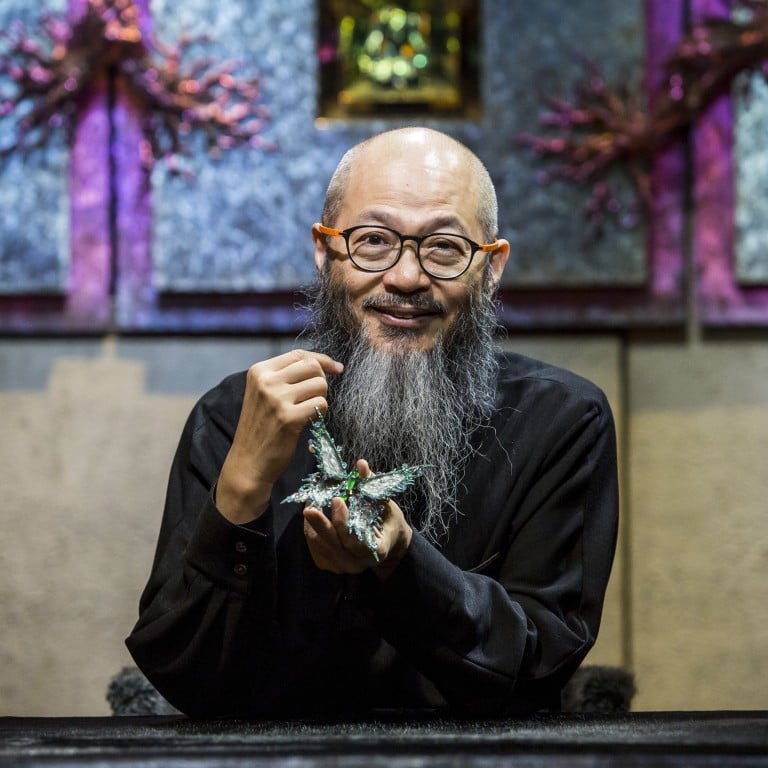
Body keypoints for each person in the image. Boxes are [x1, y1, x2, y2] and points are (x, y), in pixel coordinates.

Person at [126, 126, 619, 717]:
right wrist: (241, 490)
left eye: (443, 247)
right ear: (324, 249)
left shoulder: (562, 421)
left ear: (491, 266)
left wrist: (403, 564)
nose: (406, 278)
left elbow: (540, 667)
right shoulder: (233, 417)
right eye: (374, 241)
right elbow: (181, 674)